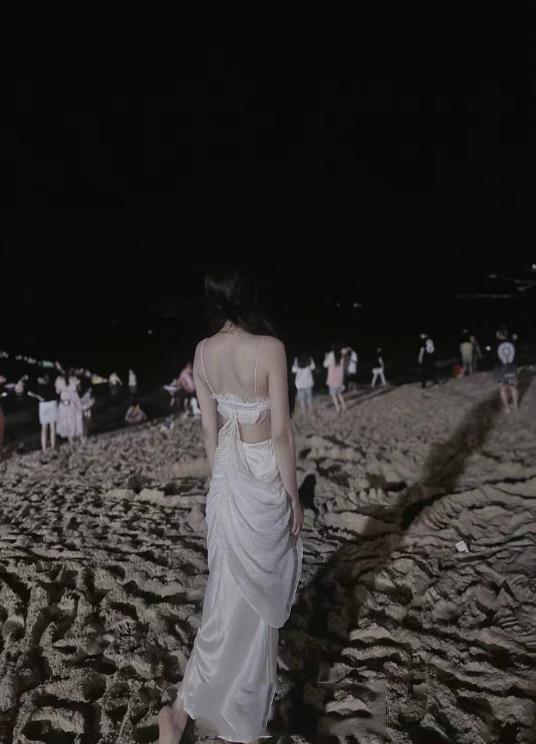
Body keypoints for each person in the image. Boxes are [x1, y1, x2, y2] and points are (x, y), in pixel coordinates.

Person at [159, 265, 303, 744]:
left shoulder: (202, 353)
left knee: (224, 594)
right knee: (251, 600)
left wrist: (221, 484)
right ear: (249, 296)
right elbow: (281, 434)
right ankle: (229, 714)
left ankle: (183, 712)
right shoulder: (270, 348)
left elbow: (209, 429)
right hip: (261, 471)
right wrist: (293, 493)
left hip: (226, 473)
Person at [29, 373, 59, 452]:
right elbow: (29, 392)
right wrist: (37, 396)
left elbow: (29, 392)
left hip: (47, 404)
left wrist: (38, 397)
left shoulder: (42, 384)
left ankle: (47, 448)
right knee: (49, 428)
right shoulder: (49, 383)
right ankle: (49, 447)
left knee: (47, 428)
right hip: (49, 404)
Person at [495, 326, 519, 413]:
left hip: (501, 368)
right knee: (513, 387)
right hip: (512, 367)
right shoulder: (512, 342)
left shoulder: (496, 344)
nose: (496, 335)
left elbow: (495, 357)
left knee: (503, 388)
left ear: (499, 333)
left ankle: (507, 408)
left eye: (497, 333)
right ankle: (515, 406)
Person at [56, 374, 83, 445]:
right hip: (68, 402)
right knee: (70, 421)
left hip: (72, 402)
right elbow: (58, 391)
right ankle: (73, 440)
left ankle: (75, 439)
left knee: (73, 420)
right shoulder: (61, 379)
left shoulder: (72, 378)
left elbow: (79, 389)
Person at [323, 342, 347, 412]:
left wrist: (326, 358)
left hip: (332, 378)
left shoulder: (331, 354)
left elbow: (325, 365)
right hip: (340, 377)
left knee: (333, 395)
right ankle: (344, 406)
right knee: (339, 393)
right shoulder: (342, 355)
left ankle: (338, 408)